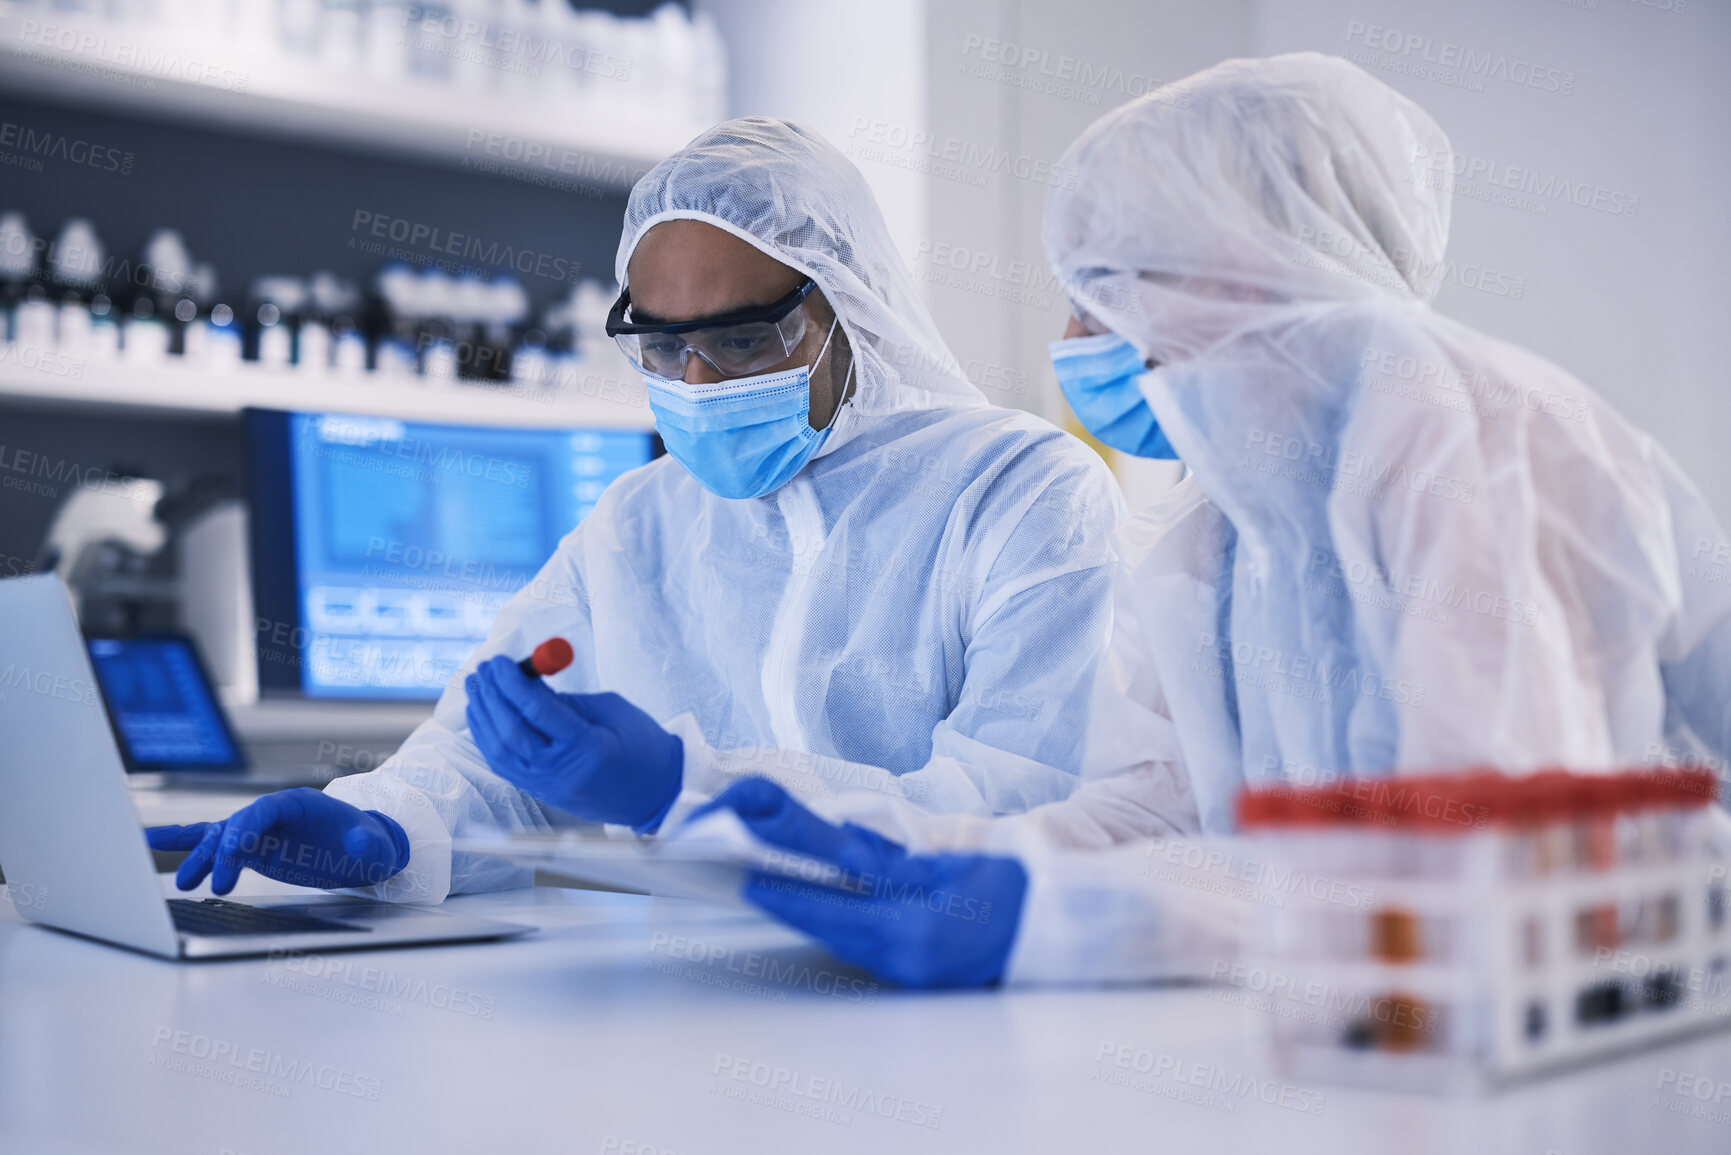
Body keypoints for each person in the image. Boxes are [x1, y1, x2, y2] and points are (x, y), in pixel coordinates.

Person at [690, 53, 1731, 987]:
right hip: (1388, 1026)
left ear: (1255, 265)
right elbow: (1169, 812)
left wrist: (1056, 926)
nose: (1071, 340)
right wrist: (924, 854)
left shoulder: (1467, 442)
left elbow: (1487, 861)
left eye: (1103, 291)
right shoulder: (1224, 534)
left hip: (1636, 1007)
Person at [146, 118, 1135, 901]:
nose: (697, 381)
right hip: (679, 1008)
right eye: (662, 348)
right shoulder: (636, 522)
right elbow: (484, 761)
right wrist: (389, 825)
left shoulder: (1020, 492)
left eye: (742, 341)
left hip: (940, 1011)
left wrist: (683, 789)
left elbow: (1012, 804)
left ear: (851, 308)